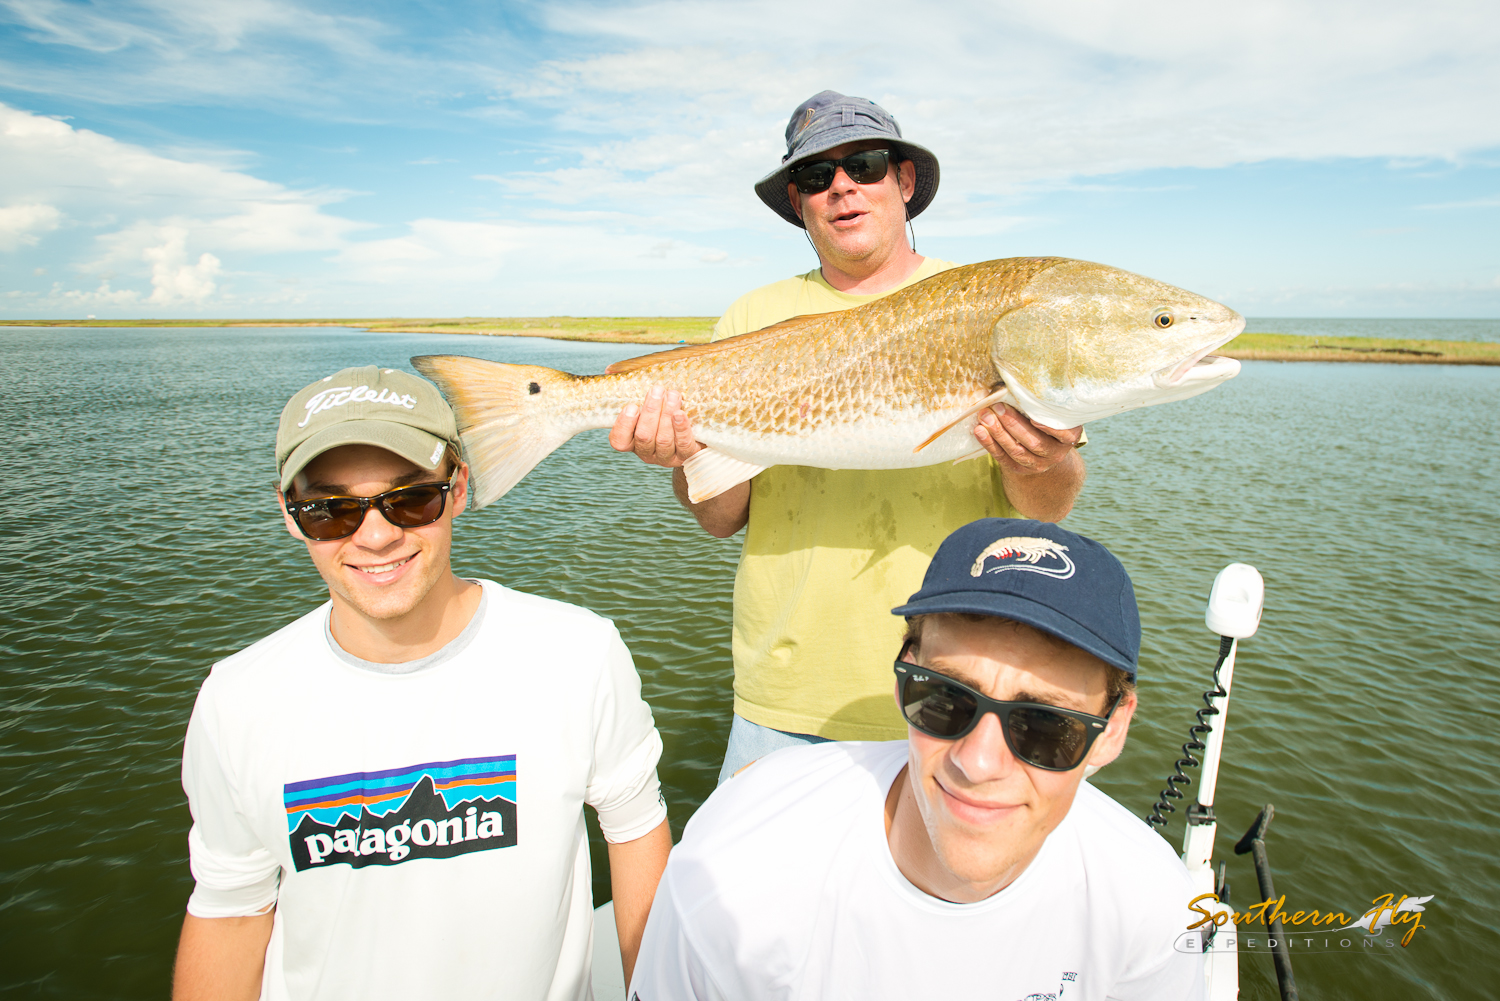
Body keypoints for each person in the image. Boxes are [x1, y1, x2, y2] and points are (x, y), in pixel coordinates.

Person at [609, 91, 1087, 780]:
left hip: (956, 694)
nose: (841, 187)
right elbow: (720, 516)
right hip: (785, 697)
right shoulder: (753, 315)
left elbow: (1049, 510)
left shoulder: (992, 305)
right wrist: (682, 458)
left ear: (904, 181)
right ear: (799, 203)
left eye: (863, 164)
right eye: (814, 177)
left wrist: (1044, 459)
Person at [173, 366, 672, 1001]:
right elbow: (232, 908)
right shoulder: (235, 699)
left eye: (411, 498)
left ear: (458, 488)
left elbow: (634, 834)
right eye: (330, 511)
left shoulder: (578, 652)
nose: (376, 535)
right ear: (290, 514)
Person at [628, 518, 1205, 1000]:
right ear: (902, 671)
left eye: (1045, 725)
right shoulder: (738, 865)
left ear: (1112, 730)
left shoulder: (1152, 914)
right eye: (946, 698)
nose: (978, 763)